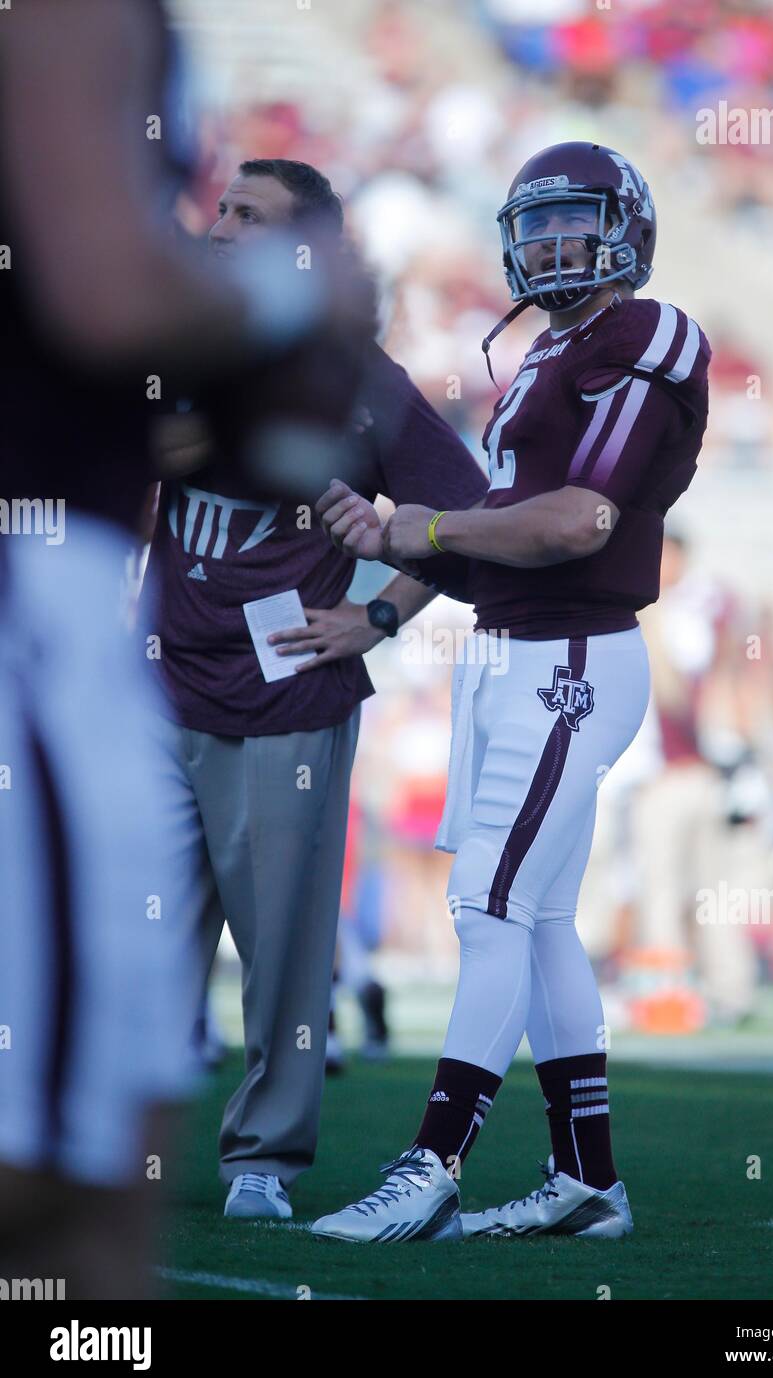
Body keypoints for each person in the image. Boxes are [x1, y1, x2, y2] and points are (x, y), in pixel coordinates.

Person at [0, 1, 370, 1297]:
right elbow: (108, 288)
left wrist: (374, 603)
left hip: (156, 661)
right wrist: (295, 295)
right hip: (40, 605)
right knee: (73, 1187)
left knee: (99, 1175)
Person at [312, 141, 711, 1241]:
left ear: (625, 225)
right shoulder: (545, 355)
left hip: (572, 656)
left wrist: (423, 524)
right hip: (509, 655)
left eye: (569, 220)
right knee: (535, 924)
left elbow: (576, 519)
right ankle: (588, 1180)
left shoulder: (645, 331)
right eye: (528, 226)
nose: (543, 245)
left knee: (487, 906)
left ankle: (433, 1165)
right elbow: (488, 522)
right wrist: (381, 603)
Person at [145, 158, 489, 1220]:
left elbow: (464, 513)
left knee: (285, 952)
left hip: (285, 693)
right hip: (155, 687)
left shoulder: (354, 377)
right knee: (133, 938)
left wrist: (377, 614)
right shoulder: (174, 340)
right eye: (223, 209)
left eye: (252, 217)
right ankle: (114, 1152)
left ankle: (263, 1158)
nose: (221, 227)